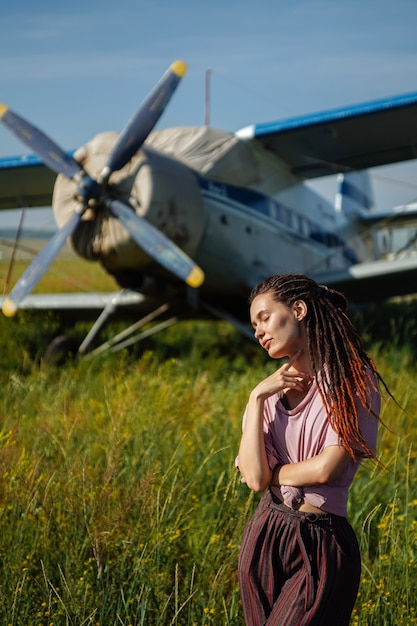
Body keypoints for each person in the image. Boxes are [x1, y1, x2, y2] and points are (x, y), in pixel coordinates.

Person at [237, 273, 386, 626]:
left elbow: (326, 469)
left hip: (321, 541)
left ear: (299, 309)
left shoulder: (353, 381)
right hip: (265, 532)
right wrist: (256, 397)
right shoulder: (265, 395)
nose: (258, 331)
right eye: (254, 324)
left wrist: (273, 474)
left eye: (265, 317)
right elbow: (257, 481)